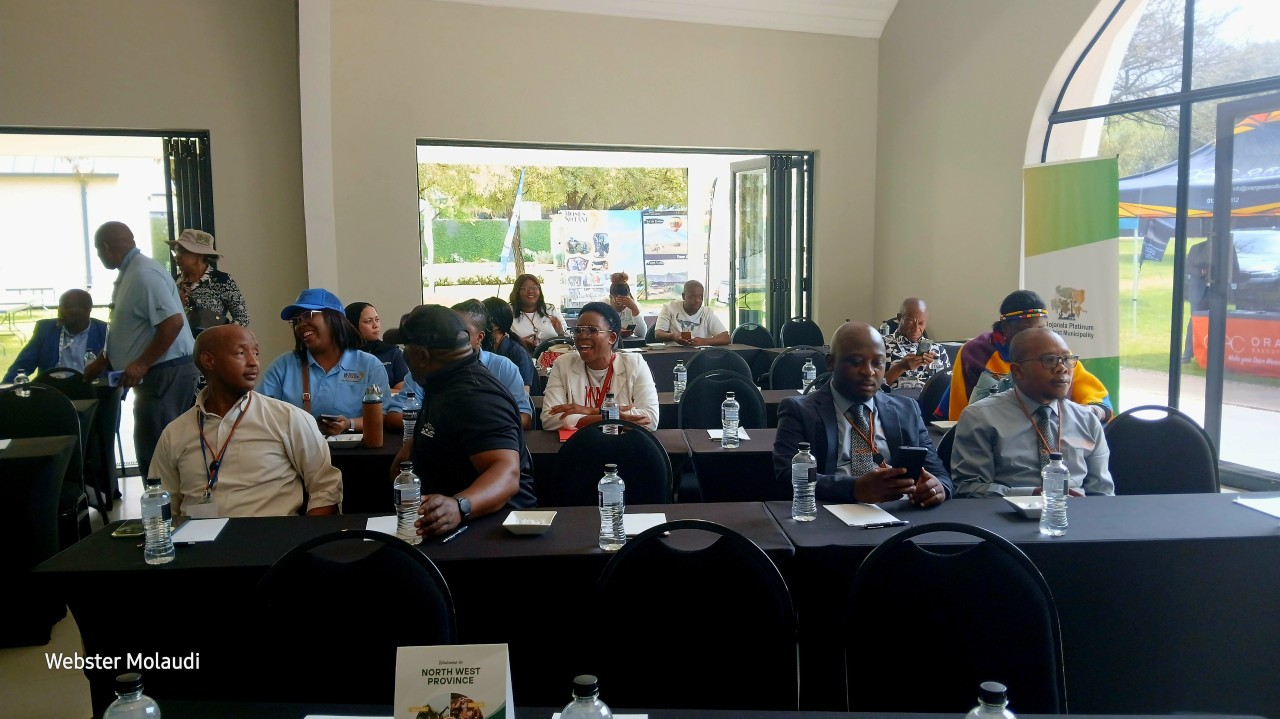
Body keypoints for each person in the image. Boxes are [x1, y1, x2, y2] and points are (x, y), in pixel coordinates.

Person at [149, 324, 342, 517]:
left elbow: (325, 488)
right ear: (208, 360)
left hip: (272, 541)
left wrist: (305, 539)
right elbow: (162, 503)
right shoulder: (175, 433)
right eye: (241, 353)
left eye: (256, 354)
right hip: (198, 542)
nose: (254, 363)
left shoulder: (288, 419)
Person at [385, 304, 536, 538]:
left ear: (423, 356)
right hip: (451, 526)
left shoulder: (476, 396)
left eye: (406, 347)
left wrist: (459, 506)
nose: (403, 354)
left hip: (491, 535)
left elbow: (506, 474)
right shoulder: (443, 379)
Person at [772, 321, 951, 505]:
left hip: (900, 512)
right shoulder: (800, 410)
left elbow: (939, 473)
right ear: (831, 363)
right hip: (833, 513)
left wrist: (938, 488)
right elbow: (788, 476)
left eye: (878, 363)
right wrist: (854, 488)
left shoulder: (907, 409)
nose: (868, 371)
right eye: (857, 362)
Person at [84, 221, 199, 477]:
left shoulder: (143, 274)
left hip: (164, 373)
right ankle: (163, 510)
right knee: (151, 445)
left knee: (159, 451)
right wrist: (104, 359)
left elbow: (173, 322)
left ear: (105, 247)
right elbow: (131, 327)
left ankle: (165, 513)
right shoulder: (130, 272)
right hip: (156, 375)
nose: (100, 256)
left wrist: (142, 363)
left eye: (99, 251)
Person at [951, 328, 1114, 498]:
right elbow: (968, 489)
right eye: (1049, 360)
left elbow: (1102, 493)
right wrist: (1029, 495)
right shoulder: (981, 417)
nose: (1062, 368)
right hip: (1005, 518)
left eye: (1066, 359)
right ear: (1017, 371)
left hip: (1076, 517)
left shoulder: (1087, 420)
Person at [944, 290, 1112, 421]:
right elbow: (962, 412)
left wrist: (1091, 411)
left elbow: (1098, 399)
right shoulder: (976, 353)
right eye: (1026, 329)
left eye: (1041, 329)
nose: (1036, 337)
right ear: (1005, 328)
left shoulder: (1056, 354)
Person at [259, 288, 394, 437]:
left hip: (355, 455)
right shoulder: (283, 366)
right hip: (298, 454)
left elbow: (381, 417)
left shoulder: (369, 365)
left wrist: (349, 424)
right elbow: (261, 413)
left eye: (308, 315)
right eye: (296, 320)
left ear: (334, 319)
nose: (301, 324)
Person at [390, 300, 534, 429]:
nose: (453, 337)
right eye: (449, 330)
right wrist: (434, 429)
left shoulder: (502, 368)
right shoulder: (427, 368)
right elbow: (394, 416)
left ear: (480, 337)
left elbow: (524, 418)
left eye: (462, 332)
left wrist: (444, 428)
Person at [540, 301, 659, 430]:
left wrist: (589, 412)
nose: (583, 336)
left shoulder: (634, 364)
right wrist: (615, 417)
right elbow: (549, 419)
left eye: (592, 330)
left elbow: (650, 419)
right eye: (578, 330)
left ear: (612, 338)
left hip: (623, 446)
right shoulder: (563, 364)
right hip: (580, 446)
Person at [3, 289, 107, 381]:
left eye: (67, 307)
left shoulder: (104, 331)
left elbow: (118, 368)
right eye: (60, 306)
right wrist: (5, 391)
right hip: (54, 394)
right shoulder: (45, 329)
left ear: (86, 310)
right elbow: (23, 365)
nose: (61, 311)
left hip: (92, 393)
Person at [170, 229, 250, 332]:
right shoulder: (173, 282)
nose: (177, 257)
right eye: (176, 251)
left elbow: (243, 317)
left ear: (199, 254)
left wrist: (222, 336)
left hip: (212, 346)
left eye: (182, 252)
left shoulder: (222, 280)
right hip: (180, 346)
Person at [882, 297, 949, 392]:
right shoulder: (881, 345)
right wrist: (900, 367)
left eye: (921, 323)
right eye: (910, 322)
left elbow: (949, 387)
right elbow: (873, 386)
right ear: (899, 318)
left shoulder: (937, 349)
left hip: (928, 402)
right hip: (895, 402)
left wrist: (934, 369)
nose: (916, 329)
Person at [345, 301, 408, 390]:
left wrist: (371, 394)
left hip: (386, 403)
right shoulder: (341, 354)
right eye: (368, 321)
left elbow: (403, 391)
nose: (375, 325)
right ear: (353, 325)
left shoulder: (391, 351)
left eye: (377, 320)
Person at [482, 296, 535, 392]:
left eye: (481, 318)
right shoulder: (483, 349)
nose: (478, 323)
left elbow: (524, 394)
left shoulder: (517, 353)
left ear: (496, 325)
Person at [654, 279, 729, 346]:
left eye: (700, 296)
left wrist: (704, 341)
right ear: (683, 296)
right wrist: (674, 336)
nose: (697, 300)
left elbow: (725, 337)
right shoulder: (669, 308)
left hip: (700, 355)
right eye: (693, 296)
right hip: (673, 354)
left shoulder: (707, 313)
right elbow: (658, 334)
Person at [509, 273, 564, 352]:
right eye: (525, 288)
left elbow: (568, 337)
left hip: (552, 358)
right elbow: (502, 341)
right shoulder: (509, 312)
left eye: (534, 288)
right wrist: (519, 342)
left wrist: (560, 332)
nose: (530, 291)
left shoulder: (550, 310)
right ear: (517, 291)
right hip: (522, 357)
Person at [607, 272, 642, 337]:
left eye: (625, 302)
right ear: (610, 297)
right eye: (618, 301)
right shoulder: (603, 306)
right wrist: (615, 332)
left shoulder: (633, 306)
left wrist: (635, 309)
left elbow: (642, 334)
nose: (621, 305)